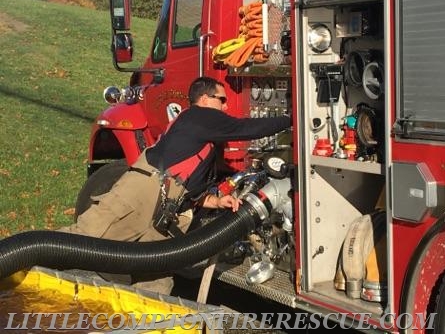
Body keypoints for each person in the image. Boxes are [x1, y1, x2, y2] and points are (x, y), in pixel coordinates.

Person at [59, 76, 291, 294]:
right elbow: (246, 128)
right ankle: (27, 269)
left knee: (155, 277)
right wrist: (292, 118)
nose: (226, 106)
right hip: (142, 191)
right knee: (78, 241)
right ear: (204, 99)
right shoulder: (199, 115)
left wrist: (217, 201)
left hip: (167, 209)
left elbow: (191, 190)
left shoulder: (201, 138)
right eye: (222, 100)